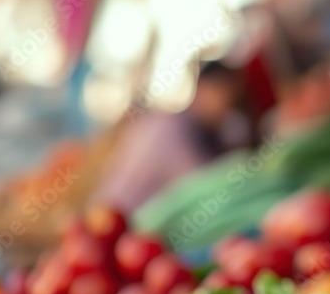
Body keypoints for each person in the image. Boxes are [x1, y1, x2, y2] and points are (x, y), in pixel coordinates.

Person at [93, 61, 248, 213]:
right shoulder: (171, 130)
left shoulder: (194, 130)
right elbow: (199, 184)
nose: (226, 108)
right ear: (201, 86)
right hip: (113, 220)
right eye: (222, 94)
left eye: (232, 101)